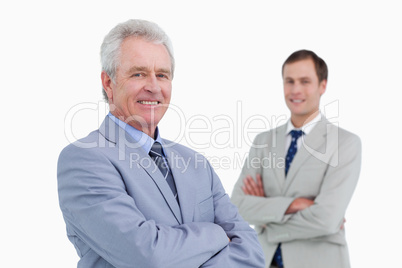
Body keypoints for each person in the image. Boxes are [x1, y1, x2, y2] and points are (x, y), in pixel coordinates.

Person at [57, 19, 265, 268]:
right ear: (108, 83)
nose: (154, 87)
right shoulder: (84, 159)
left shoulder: (196, 163)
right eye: (138, 73)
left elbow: (252, 251)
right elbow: (147, 256)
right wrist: (217, 234)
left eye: (162, 75)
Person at [231, 49, 361, 268]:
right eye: (289, 81)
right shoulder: (263, 141)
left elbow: (327, 220)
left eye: (305, 81)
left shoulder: (345, 143)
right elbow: (237, 206)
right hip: (263, 261)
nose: (295, 89)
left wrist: (266, 220)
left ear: (323, 85)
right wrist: (296, 204)